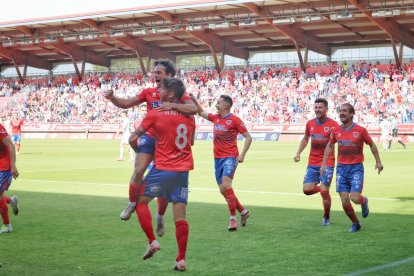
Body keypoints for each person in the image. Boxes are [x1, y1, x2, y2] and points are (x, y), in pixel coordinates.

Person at [104, 59, 197, 238]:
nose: (155, 75)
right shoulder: (149, 92)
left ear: (169, 75)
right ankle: (132, 204)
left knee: (163, 186)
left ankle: (160, 216)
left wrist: (173, 105)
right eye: (154, 73)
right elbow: (126, 104)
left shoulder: (177, 93)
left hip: (168, 140)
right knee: (138, 169)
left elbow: (193, 108)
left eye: (159, 72)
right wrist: (112, 98)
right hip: (150, 137)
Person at [129, 78, 194, 271]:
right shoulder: (189, 116)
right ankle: (181, 259)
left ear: (171, 93)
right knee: (180, 218)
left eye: (163, 88)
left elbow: (134, 138)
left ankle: (152, 241)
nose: (159, 90)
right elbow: (191, 140)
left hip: (163, 169)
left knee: (141, 202)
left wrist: (138, 152)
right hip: (182, 171)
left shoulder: (155, 114)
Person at [190, 94, 252, 231]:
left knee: (226, 185)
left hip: (231, 157)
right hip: (217, 158)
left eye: (218, 103)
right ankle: (243, 212)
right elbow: (200, 112)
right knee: (223, 190)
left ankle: (232, 219)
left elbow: (248, 137)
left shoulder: (234, 120)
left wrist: (242, 154)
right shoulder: (216, 118)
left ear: (226, 105)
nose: (216, 105)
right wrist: (194, 100)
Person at [320, 103, 383, 233]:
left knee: (354, 198)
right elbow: (330, 146)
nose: (341, 113)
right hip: (341, 169)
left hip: (356, 168)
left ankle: (364, 201)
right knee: (344, 200)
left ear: (352, 113)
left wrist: (378, 161)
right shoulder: (336, 131)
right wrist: (324, 163)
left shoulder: (360, 130)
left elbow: (371, 144)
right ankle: (355, 223)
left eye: (344, 111)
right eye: (340, 111)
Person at [294, 98, 339, 226]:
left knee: (324, 192)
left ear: (326, 109)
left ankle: (326, 216)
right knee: (307, 190)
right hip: (313, 162)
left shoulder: (333, 125)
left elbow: (338, 141)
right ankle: (324, 189)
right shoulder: (310, 124)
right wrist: (298, 153)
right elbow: (305, 138)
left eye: (320, 107)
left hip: (327, 162)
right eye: (316, 107)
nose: (317, 110)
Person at [0, 123, 19, 234]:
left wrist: (13, 166)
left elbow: (11, 146)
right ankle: (11, 201)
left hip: (4, 166)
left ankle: (7, 225)